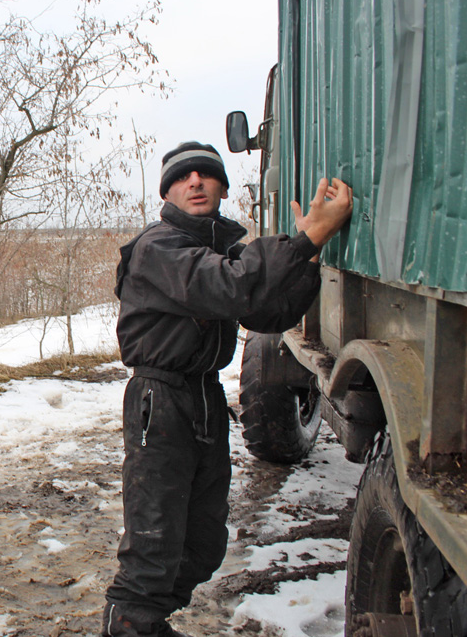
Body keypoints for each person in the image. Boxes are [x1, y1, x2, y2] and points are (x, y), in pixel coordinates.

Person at [102, 142, 353, 637]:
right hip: (161, 399)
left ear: (221, 186)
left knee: (202, 542)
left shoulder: (219, 248)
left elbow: (266, 314)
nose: (195, 181)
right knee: (154, 537)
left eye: (206, 174)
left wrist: (307, 257)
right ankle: (131, 622)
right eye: (183, 177)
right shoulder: (159, 246)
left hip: (205, 398)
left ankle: (146, 620)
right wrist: (302, 240)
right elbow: (230, 286)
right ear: (168, 192)